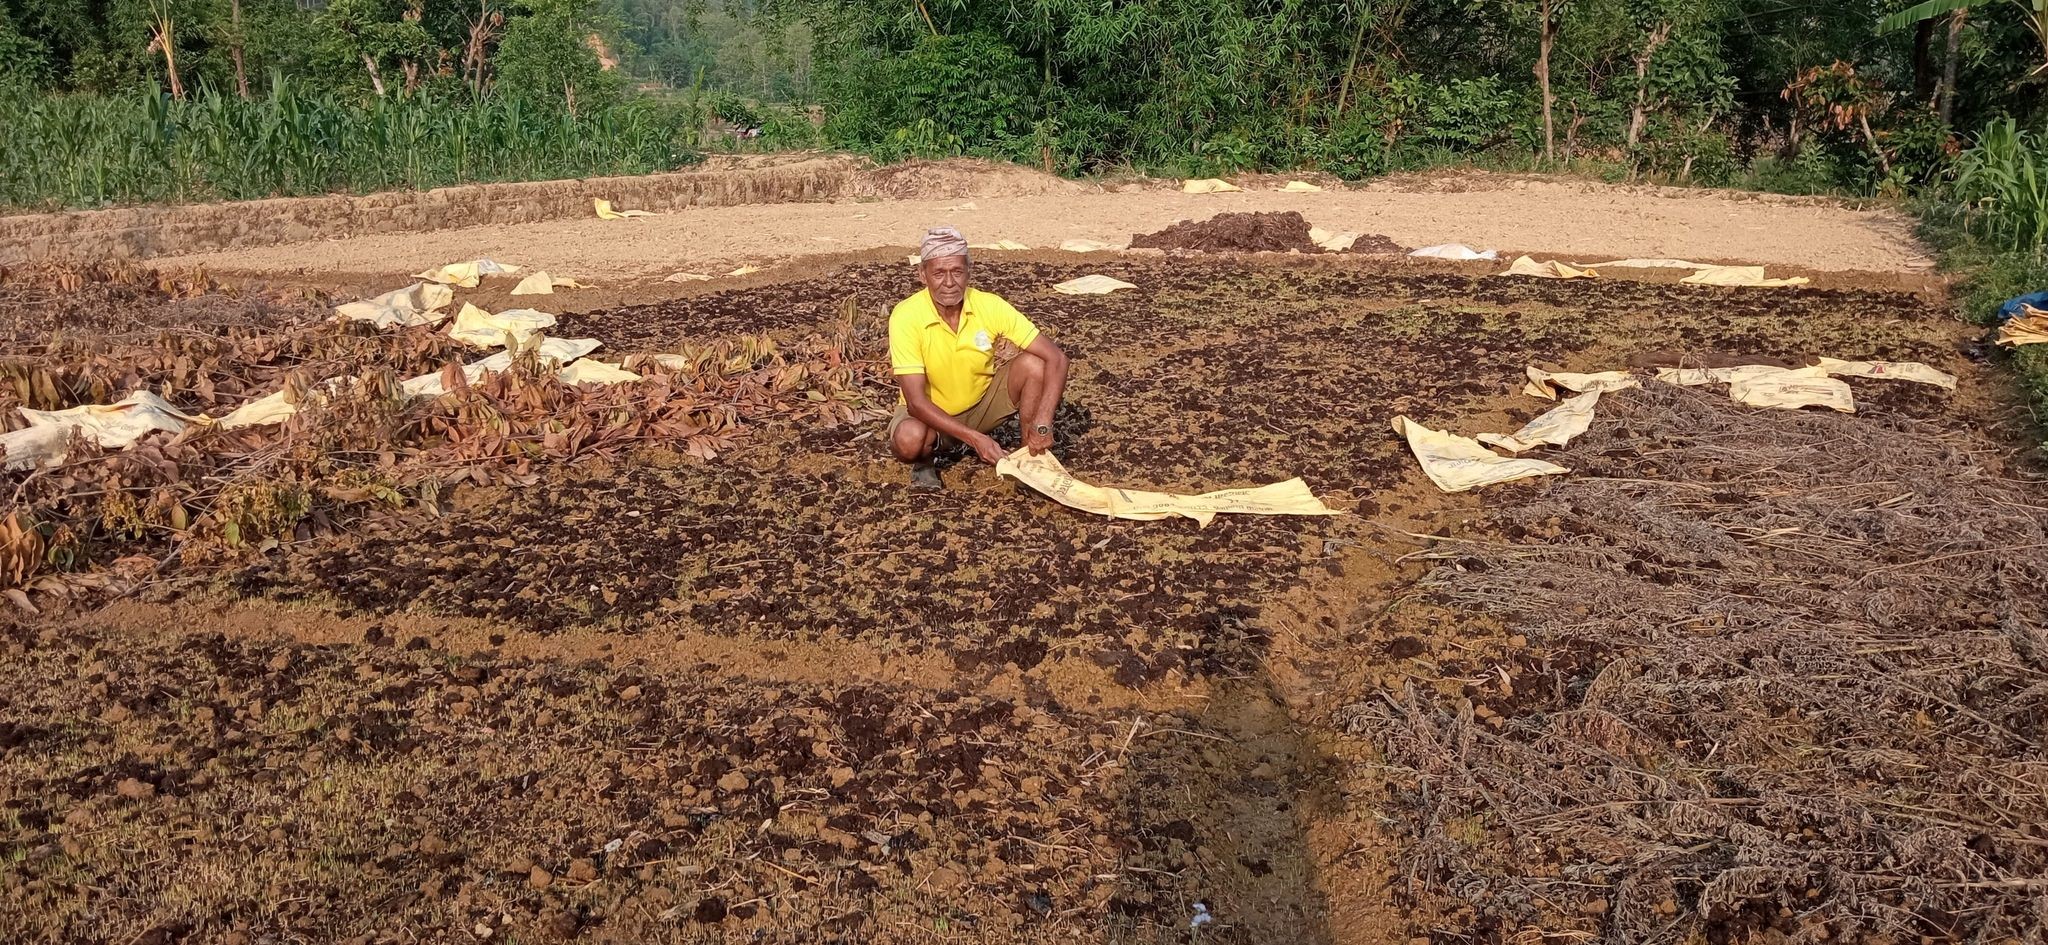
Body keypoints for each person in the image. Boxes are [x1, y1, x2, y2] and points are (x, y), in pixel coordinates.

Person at [887, 226, 1070, 490]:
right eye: (939, 273)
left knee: (1035, 364)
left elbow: (1057, 359)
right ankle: (925, 463)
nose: (949, 282)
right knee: (909, 438)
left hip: (981, 405)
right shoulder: (906, 316)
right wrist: (976, 440)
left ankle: (1029, 458)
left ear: (969, 273)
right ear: (922, 275)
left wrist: (1043, 423)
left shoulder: (989, 305)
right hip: (930, 417)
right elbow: (915, 403)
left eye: (957, 272)